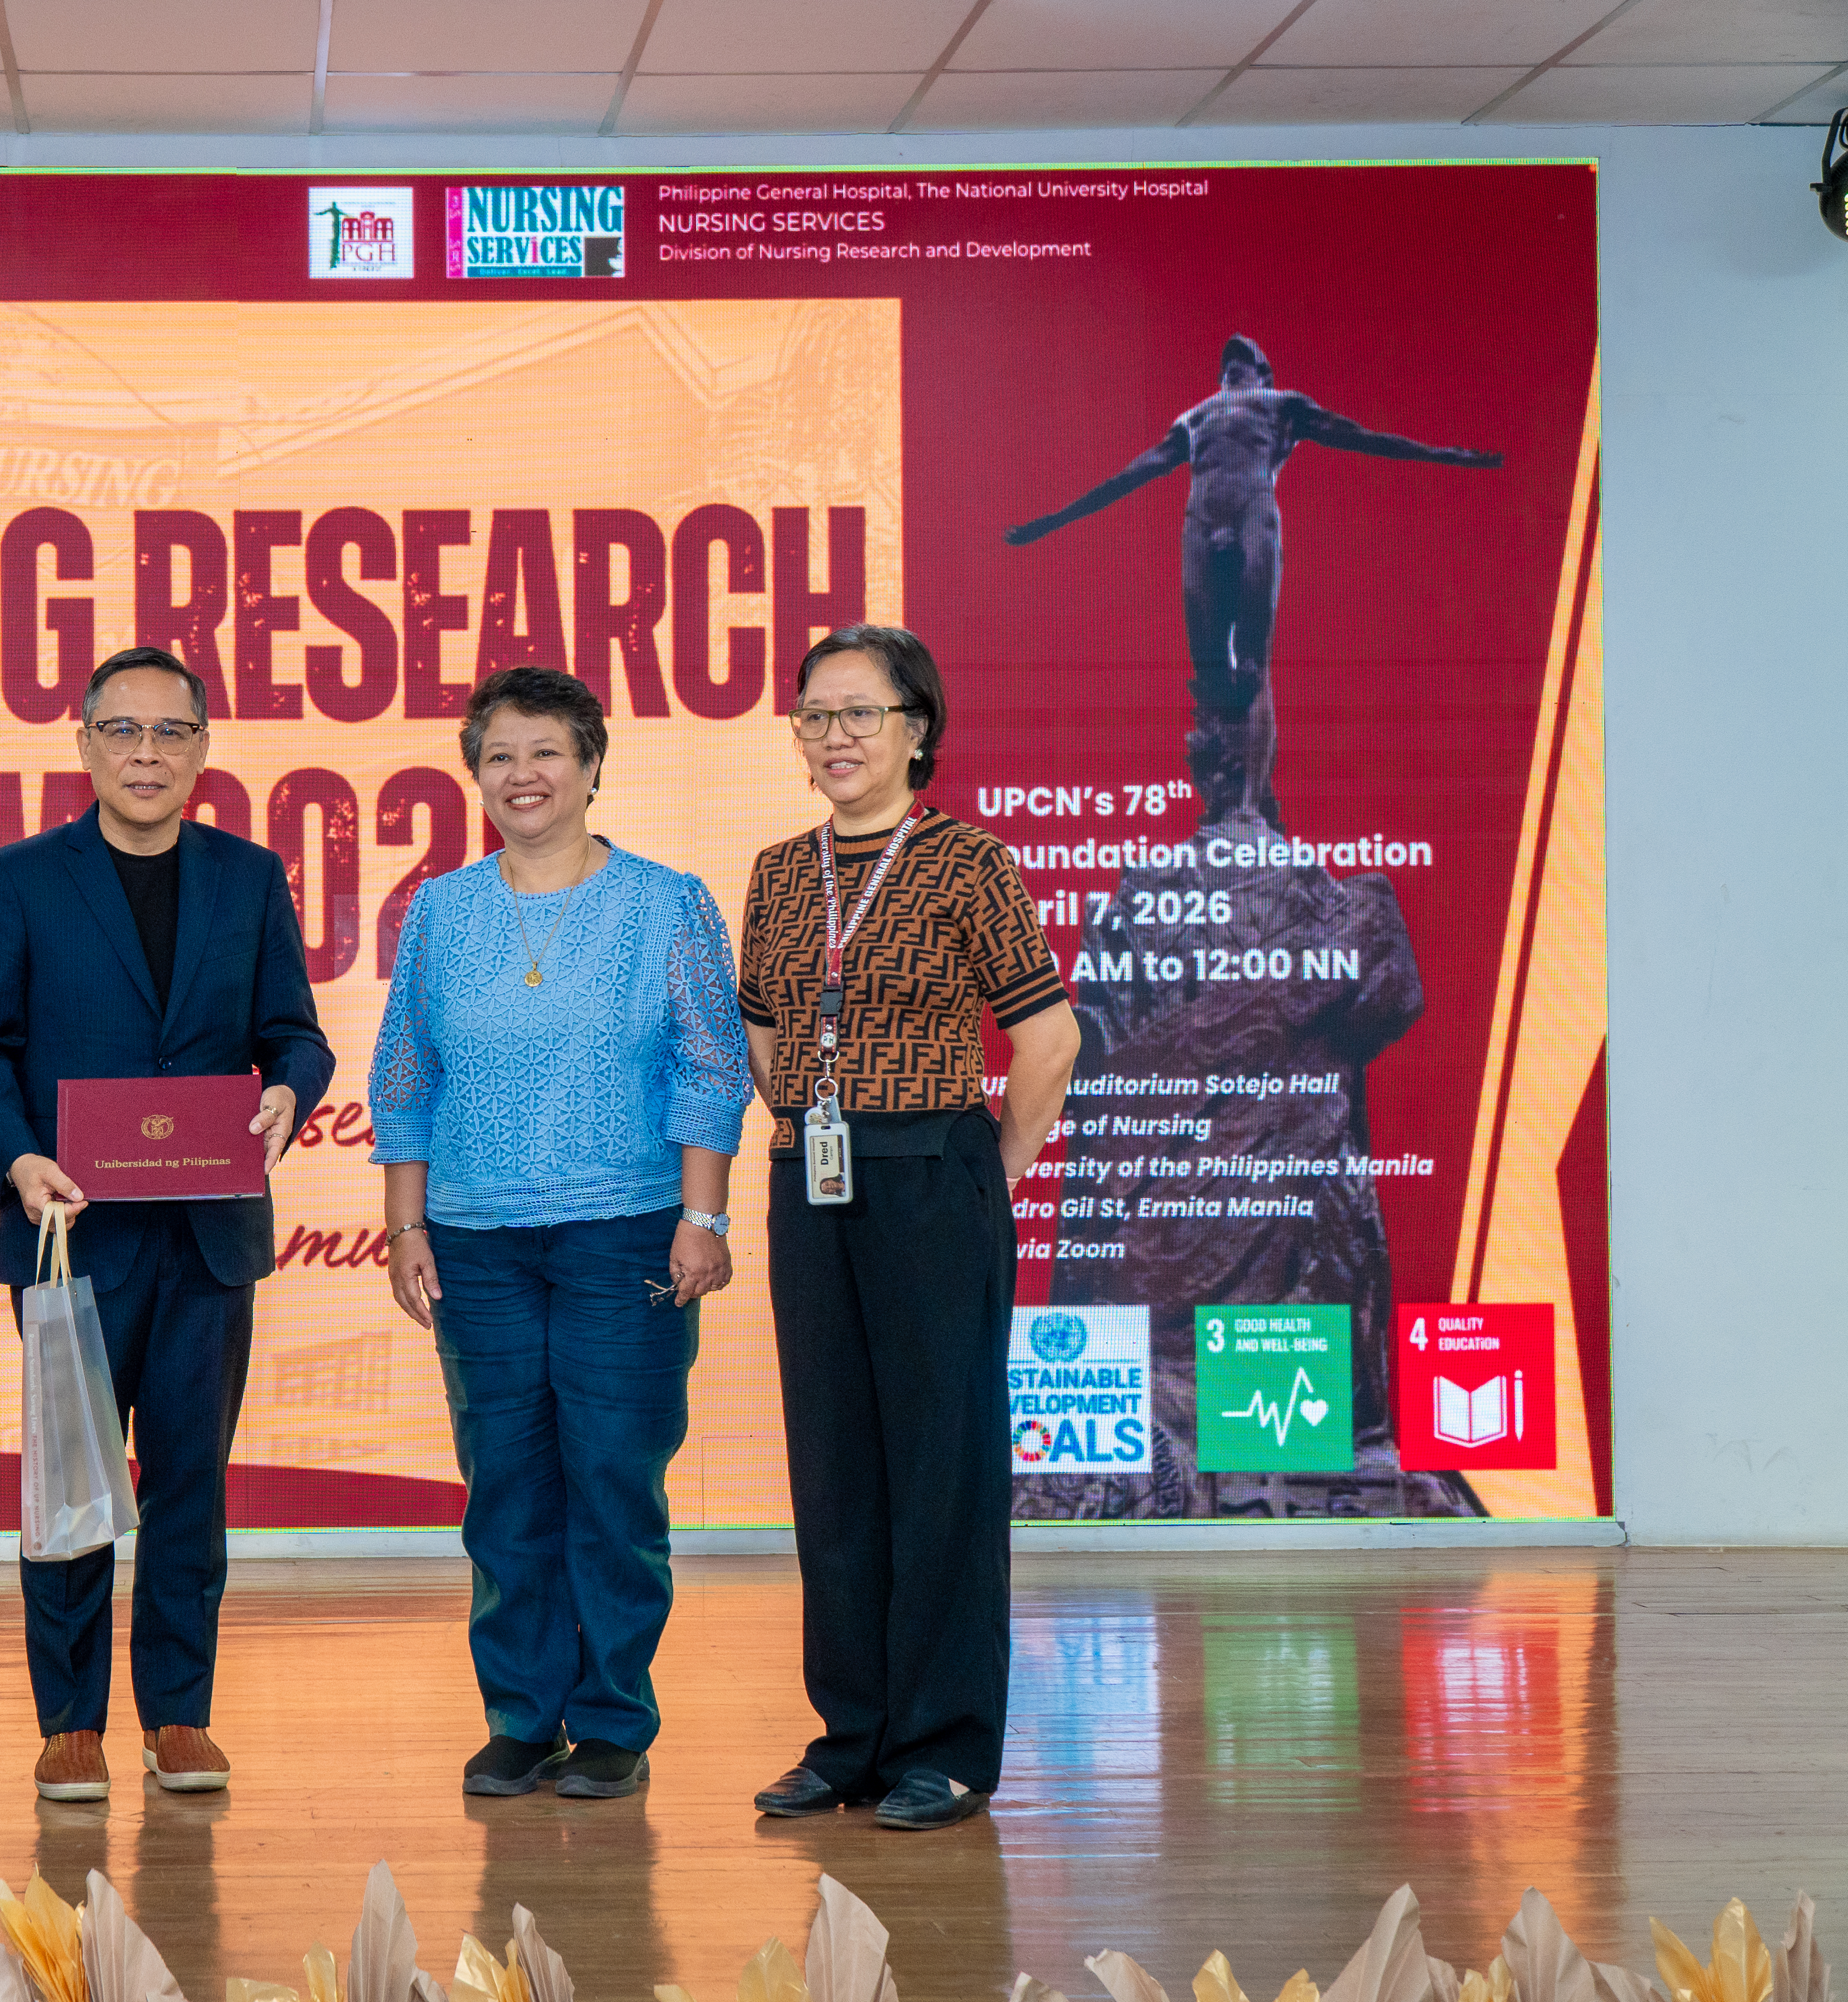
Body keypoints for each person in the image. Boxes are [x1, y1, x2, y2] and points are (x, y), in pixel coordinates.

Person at [0, 644, 334, 1803]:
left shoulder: (249, 875)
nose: (147, 752)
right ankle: (69, 1721)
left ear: (204, 749)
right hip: (69, 1232)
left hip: (208, 1233)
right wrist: (15, 1158)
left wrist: (286, 1091)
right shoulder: (15, 879)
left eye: (170, 732)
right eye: (123, 730)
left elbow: (295, 1033)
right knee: (70, 1477)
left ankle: (177, 1714)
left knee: (189, 1481)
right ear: (83, 744)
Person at [369, 664, 751, 1802]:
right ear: (473, 775)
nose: (523, 775)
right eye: (499, 756)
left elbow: (711, 1063)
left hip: (626, 1236)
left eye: (546, 751)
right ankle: (521, 1716)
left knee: (611, 1477)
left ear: (590, 765)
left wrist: (702, 1213)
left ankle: (612, 1717)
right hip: (475, 1243)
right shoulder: (440, 908)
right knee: (506, 1483)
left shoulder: (662, 900)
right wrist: (403, 1225)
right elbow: (404, 1072)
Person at [739, 623, 1079, 1831]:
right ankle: (850, 1738)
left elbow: (1046, 1037)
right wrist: (801, 1114)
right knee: (832, 1465)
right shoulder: (781, 870)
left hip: (932, 1169)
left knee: (938, 1465)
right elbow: (764, 1026)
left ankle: (940, 1743)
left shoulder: (966, 861)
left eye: (858, 714)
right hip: (812, 1174)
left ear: (915, 730)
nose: (832, 736)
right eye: (813, 715)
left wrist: (991, 1163)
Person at [1003, 333, 1502, 823]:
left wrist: (1446, 455)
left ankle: (1253, 802)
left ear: (1263, 373)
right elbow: (1128, 476)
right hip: (1201, 522)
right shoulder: (1193, 418)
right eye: (1227, 361)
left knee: (1254, 663)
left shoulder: (1282, 404)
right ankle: (1224, 799)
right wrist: (1054, 522)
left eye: (1246, 360)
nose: (1233, 356)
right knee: (1209, 671)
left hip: (1252, 514)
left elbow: (1363, 437)